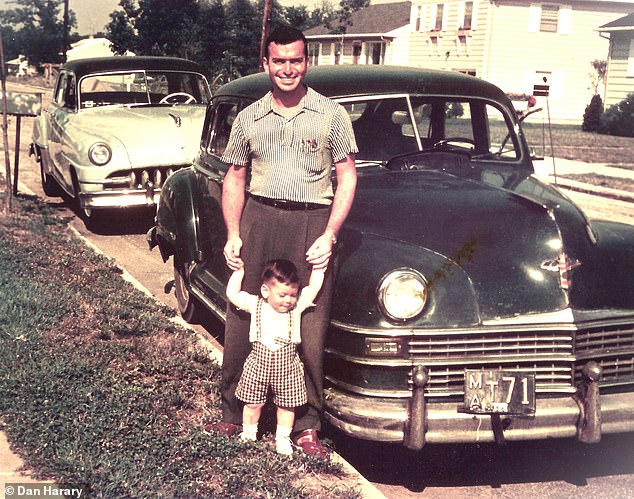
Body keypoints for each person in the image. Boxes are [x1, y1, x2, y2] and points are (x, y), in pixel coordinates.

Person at [214, 25, 358, 458]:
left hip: (312, 221)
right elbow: (234, 178)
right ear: (266, 64)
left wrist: (330, 235)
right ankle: (233, 412)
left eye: (296, 60)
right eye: (279, 60)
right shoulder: (248, 118)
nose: (288, 68)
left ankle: (306, 426)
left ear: (306, 62)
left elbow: (348, 177)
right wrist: (234, 233)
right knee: (244, 315)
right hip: (259, 218)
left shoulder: (331, 115)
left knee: (308, 323)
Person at [226, 259, 325, 456]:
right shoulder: (255, 305)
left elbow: (313, 287)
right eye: (282, 295)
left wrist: (319, 268)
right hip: (258, 364)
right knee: (253, 402)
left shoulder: (296, 309)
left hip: (288, 367)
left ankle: (282, 438)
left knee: (287, 406)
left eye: (293, 295)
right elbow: (232, 294)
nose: (288, 300)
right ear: (265, 291)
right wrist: (239, 272)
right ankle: (248, 433)